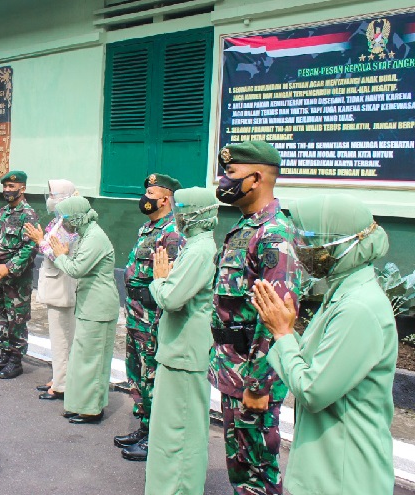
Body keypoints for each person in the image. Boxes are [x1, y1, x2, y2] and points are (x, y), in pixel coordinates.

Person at [253, 194, 396, 495]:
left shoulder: (358, 308)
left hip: (343, 477)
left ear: (346, 243)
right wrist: (290, 332)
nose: (303, 249)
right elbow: (323, 362)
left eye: (312, 239)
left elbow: (313, 390)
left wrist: (282, 335)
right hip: (330, 471)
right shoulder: (343, 292)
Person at [210, 140, 302, 495]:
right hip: (234, 368)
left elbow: (275, 319)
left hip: (253, 374)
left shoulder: (274, 235)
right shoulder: (247, 228)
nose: (224, 181)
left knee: (257, 470)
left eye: (231, 174)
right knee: (241, 466)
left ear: (257, 178)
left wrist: (258, 384)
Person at [144, 187, 218, 495]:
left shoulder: (200, 250)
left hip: (187, 349)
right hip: (177, 348)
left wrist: (159, 279)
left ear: (197, 214)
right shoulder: (194, 246)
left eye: (182, 209)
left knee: (181, 432)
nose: (177, 215)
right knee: (169, 429)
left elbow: (172, 298)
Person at [117, 173, 184, 462]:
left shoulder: (173, 233)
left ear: (166, 198)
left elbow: (168, 279)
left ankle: (153, 437)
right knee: (136, 373)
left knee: (151, 375)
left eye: (152, 194)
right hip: (135, 315)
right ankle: (143, 426)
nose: (145, 199)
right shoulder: (148, 228)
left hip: (152, 317)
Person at [49, 196, 119, 424]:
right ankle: (78, 404)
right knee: (81, 358)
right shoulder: (86, 235)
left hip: (99, 306)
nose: (63, 223)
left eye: (65, 218)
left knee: (93, 360)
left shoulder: (95, 238)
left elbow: (77, 268)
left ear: (77, 217)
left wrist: (59, 255)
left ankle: (92, 409)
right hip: (89, 305)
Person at [0, 171, 38, 379]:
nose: (7, 190)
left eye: (12, 187)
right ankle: (5, 354)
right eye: (5, 186)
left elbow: (30, 247)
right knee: (0, 315)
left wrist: (9, 267)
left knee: (17, 318)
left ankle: (16, 360)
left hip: (17, 278)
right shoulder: (3, 211)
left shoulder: (28, 214)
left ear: (22, 189)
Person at [24, 179, 79, 400]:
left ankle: (62, 385)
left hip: (62, 286)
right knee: (58, 337)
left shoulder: (69, 224)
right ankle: (58, 378)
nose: (49, 199)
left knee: (63, 339)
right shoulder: (59, 220)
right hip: (54, 285)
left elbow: (57, 254)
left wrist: (40, 241)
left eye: (53, 194)